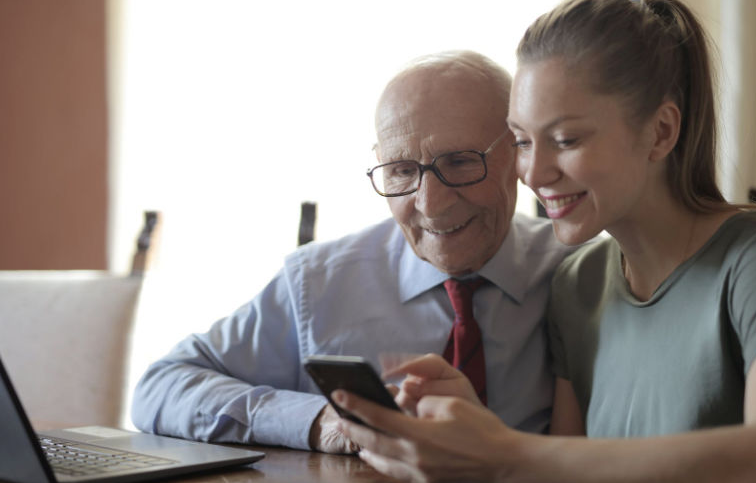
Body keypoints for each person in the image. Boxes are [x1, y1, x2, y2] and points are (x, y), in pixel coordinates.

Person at [334, 0, 756, 483]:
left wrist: (500, 453)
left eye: (565, 139)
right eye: (523, 142)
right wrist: (473, 429)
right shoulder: (578, 282)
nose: (532, 174)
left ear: (661, 132)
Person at [131, 50, 573, 454]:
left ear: (519, 152)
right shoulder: (318, 282)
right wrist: (316, 420)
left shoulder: (581, 273)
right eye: (401, 170)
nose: (430, 204)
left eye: (459, 162)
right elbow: (160, 387)